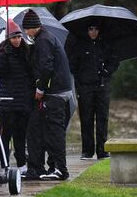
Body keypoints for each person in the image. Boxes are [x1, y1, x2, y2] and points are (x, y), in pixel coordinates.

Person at [23, 9, 72, 180]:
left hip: (55, 93)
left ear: (31, 28)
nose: (25, 33)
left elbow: (46, 67)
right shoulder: (46, 37)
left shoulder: (43, 40)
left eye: (25, 29)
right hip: (61, 90)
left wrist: (40, 89)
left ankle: (60, 169)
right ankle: (51, 168)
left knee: (54, 133)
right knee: (50, 131)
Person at [69, 25, 119, 160]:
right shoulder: (80, 46)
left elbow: (115, 61)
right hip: (85, 88)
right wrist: (80, 82)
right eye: (90, 29)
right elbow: (73, 65)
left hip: (102, 87)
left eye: (96, 29)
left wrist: (106, 72)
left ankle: (102, 150)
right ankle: (87, 150)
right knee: (86, 119)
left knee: (102, 118)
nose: (93, 32)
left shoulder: (106, 45)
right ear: (87, 30)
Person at [0, 19, 32, 174]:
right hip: (7, 102)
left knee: (20, 136)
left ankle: (22, 164)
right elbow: (0, 73)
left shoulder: (26, 51)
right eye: (14, 37)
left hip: (22, 101)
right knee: (5, 136)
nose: (17, 40)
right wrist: (5, 58)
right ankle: (4, 164)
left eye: (19, 37)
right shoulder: (2, 52)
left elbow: (29, 73)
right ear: (8, 38)